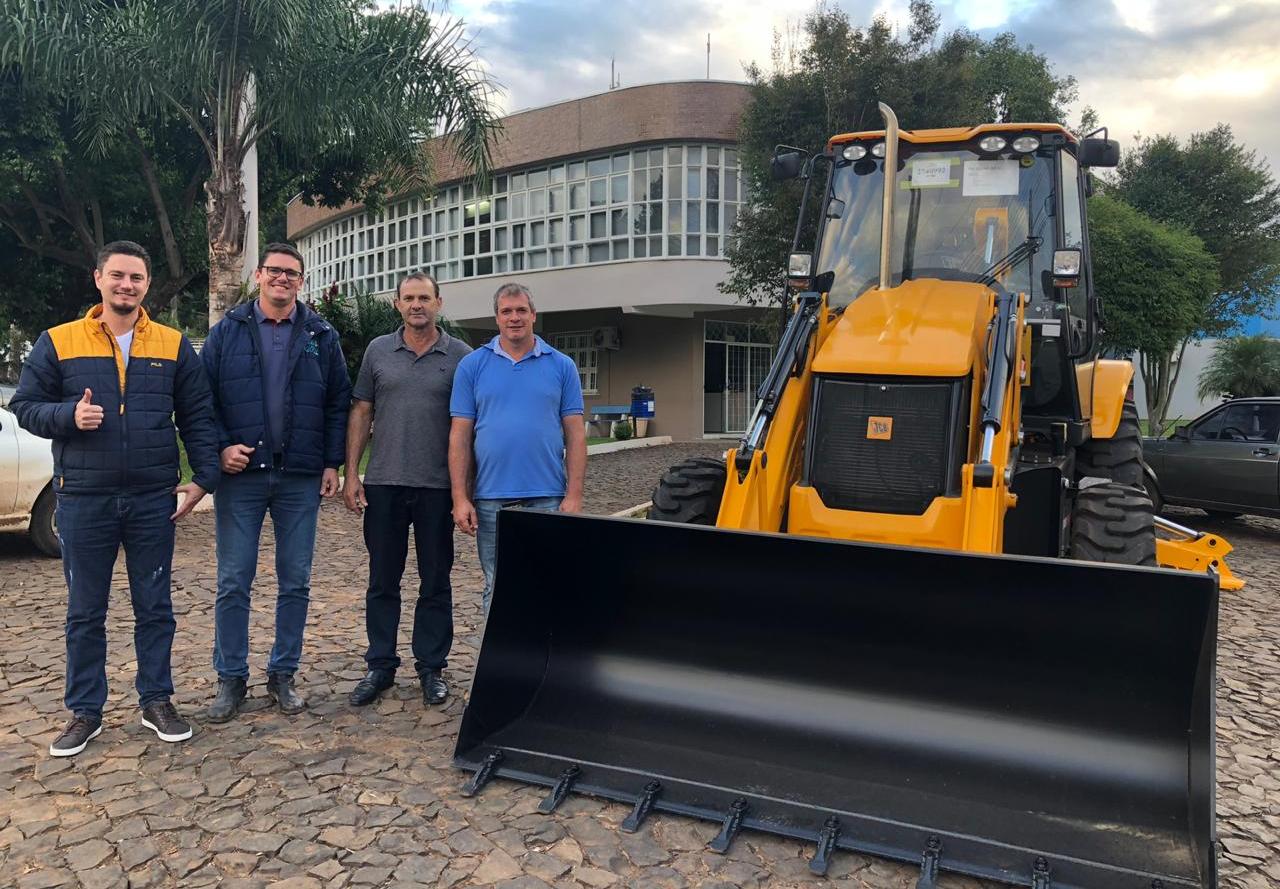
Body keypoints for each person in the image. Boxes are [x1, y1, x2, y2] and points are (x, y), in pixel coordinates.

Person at [10, 240, 219, 756]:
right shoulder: (58, 340)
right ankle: (85, 711)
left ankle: (157, 700)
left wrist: (203, 478)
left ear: (147, 285)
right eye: (118, 275)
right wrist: (68, 416)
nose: (127, 285)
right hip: (83, 498)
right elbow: (26, 406)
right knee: (85, 611)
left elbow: (197, 414)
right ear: (98, 278)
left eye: (137, 278)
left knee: (155, 607)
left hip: (151, 498)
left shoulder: (172, 345)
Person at [201, 242, 351, 722]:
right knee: (233, 580)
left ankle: (283, 673)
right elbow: (203, 400)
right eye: (274, 270)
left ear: (301, 281)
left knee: (296, 580)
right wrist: (220, 448)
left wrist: (332, 463)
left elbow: (338, 403)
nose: (282, 279)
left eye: (292, 273)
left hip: (299, 477)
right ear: (259, 276)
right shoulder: (227, 331)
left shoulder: (321, 335)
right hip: (241, 477)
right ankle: (230, 678)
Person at [344, 272, 472, 707]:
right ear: (397, 304)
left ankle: (431, 667)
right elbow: (362, 411)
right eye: (409, 298)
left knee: (435, 580)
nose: (417, 305)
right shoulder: (378, 351)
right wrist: (351, 474)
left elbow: (469, 424)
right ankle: (380, 665)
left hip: (437, 486)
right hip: (384, 483)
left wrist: (464, 491)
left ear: (438, 303)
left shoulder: (461, 356)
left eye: (424, 298)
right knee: (383, 579)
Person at [448, 283, 587, 614]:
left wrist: (574, 495)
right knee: (497, 586)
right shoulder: (472, 366)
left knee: (548, 583)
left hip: (548, 497)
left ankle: (543, 650)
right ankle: (498, 651)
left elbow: (576, 435)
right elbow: (459, 436)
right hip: (490, 498)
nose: (514, 318)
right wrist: (460, 498)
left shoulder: (562, 365)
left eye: (521, 310)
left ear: (533, 315)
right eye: (506, 311)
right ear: (496, 318)